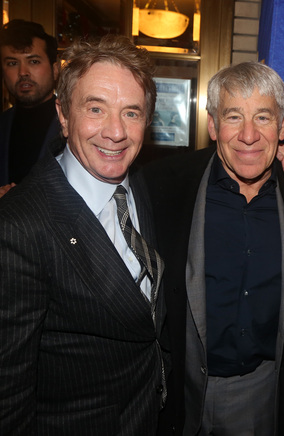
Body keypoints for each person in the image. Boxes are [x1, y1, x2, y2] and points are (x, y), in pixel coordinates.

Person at [142, 61, 284, 435]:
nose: (248, 135)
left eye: (263, 117)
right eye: (233, 117)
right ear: (213, 125)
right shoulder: (161, 185)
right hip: (174, 396)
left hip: (261, 395)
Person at [0, 35, 167, 434]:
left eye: (132, 113)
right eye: (96, 108)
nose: (115, 132)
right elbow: (7, 395)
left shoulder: (141, 185)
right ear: (63, 113)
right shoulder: (19, 226)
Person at [0, 19, 60, 196]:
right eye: (12, 63)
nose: (22, 72)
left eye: (33, 61)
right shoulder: (2, 125)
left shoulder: (75, 126)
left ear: (55, 70)